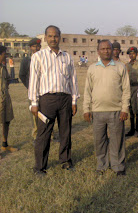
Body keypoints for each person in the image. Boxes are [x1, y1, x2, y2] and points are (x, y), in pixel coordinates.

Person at [28, 25, 80, 175]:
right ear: (45, 38)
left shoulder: (67, 57)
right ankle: (40, 166)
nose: (53, 39)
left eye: (55, 36)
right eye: (50, 36)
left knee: (66, 132)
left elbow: (73, 80)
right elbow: (34, 81)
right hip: (47, 100)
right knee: (43, 134)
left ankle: (65, 160)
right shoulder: (38, 56)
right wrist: (34, 102)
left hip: (65, 99)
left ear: (60, 37)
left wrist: (74, 101)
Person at [83, 40, 130, 176]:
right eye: (102, 49)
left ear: (112, 50)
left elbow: (126, 90)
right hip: (97, 111)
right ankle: (101, 165)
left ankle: (118, 166)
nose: (106, 51)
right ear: (98, 51)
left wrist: (124, 109)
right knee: (99, 141)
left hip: (116, 111)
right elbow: (87, 90)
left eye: (108, 48)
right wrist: (86, 109)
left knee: (117, 140)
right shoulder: (92, 68)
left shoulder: (120, 67)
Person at [19, 38, 41, 140]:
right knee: (34, 114)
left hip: (44, 91)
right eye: (34, 46)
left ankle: (50, 134)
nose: (36, 48)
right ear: (30, 48)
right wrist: (30, 87)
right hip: (33, 92)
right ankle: (36, 135)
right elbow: (22, 75)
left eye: (38, 46)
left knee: (46, 112)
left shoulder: (44, 58)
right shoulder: (26, 60)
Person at [0, 46, 17, 152]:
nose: (5, 56)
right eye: (4, 54)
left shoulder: (3, 66)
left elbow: (6, 81)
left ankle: (5, 144)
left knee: (7, 121)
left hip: (5, 96)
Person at [125, 47, 138, 137]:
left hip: (137, 88)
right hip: (129, 88)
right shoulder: (126, 65)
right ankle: (131, 129)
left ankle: (137, 129)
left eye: (133, 53)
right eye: (130, 54)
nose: (132, 55)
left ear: (137, 54)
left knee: (137, 108)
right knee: (130, 109)